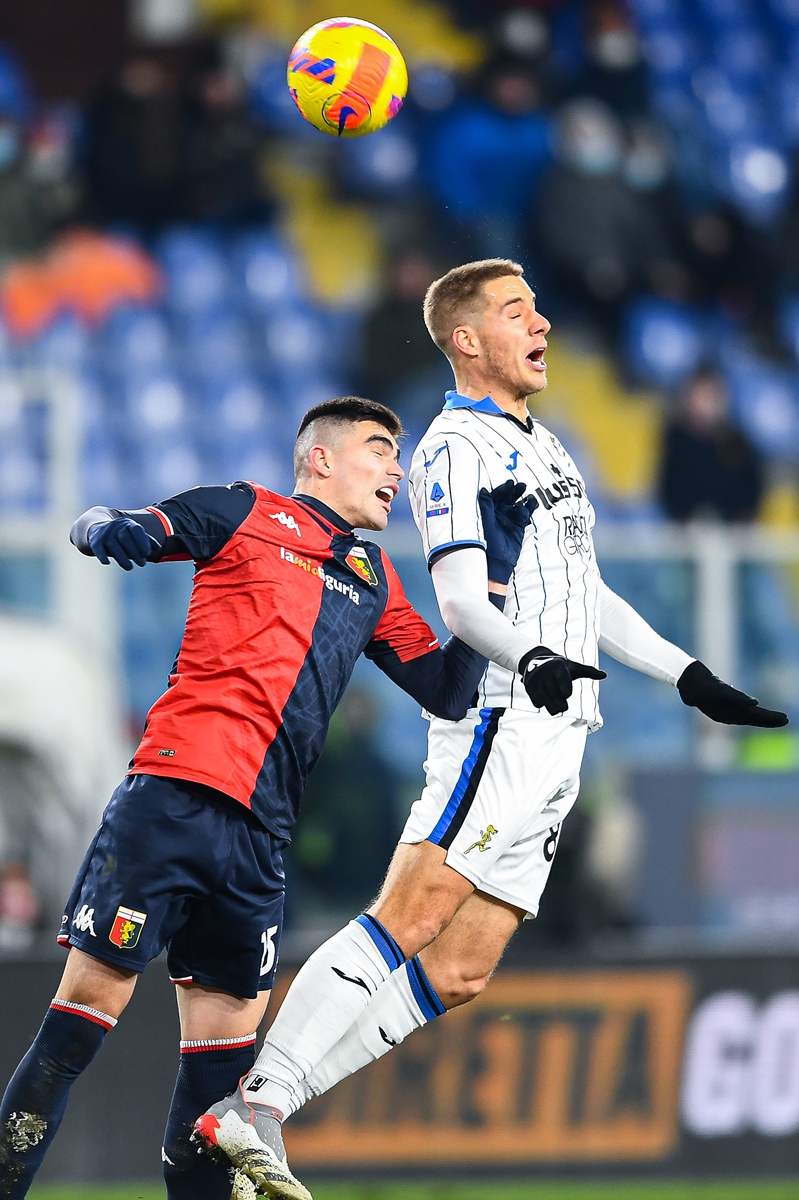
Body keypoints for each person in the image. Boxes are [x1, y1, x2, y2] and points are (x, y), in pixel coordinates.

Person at [195, 261, 789, 1198]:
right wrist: (534, 662)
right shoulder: (451, 449)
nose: (543, 323)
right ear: (467, 340)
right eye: (519, 312)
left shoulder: (546, 449)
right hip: (504, 716)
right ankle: (256, 1101)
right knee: (414, 911)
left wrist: (686, 674)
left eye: (539, 309)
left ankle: (260, 1114)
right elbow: (462, 602)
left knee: (464, 967)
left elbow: (582, 591)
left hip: (562, 733)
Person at [0, 395, 535, 1200]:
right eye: (380, 449)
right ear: (320, 458)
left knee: (220, 1095)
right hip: (171, 805)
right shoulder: (246, 510)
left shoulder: (372, 576)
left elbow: (447, 691)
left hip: (260, 846)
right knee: (78, 1028)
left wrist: (490, 573)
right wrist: (102, 526)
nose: (397, 468)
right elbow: (134, 524)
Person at [659, 368, 764, 523]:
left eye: (711, 396)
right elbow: (668, 491)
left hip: (730, 534)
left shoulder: (738, 443)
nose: (706, 404)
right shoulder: (674, 439)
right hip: (682, 532)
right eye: (700, 396)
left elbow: (749, 495)